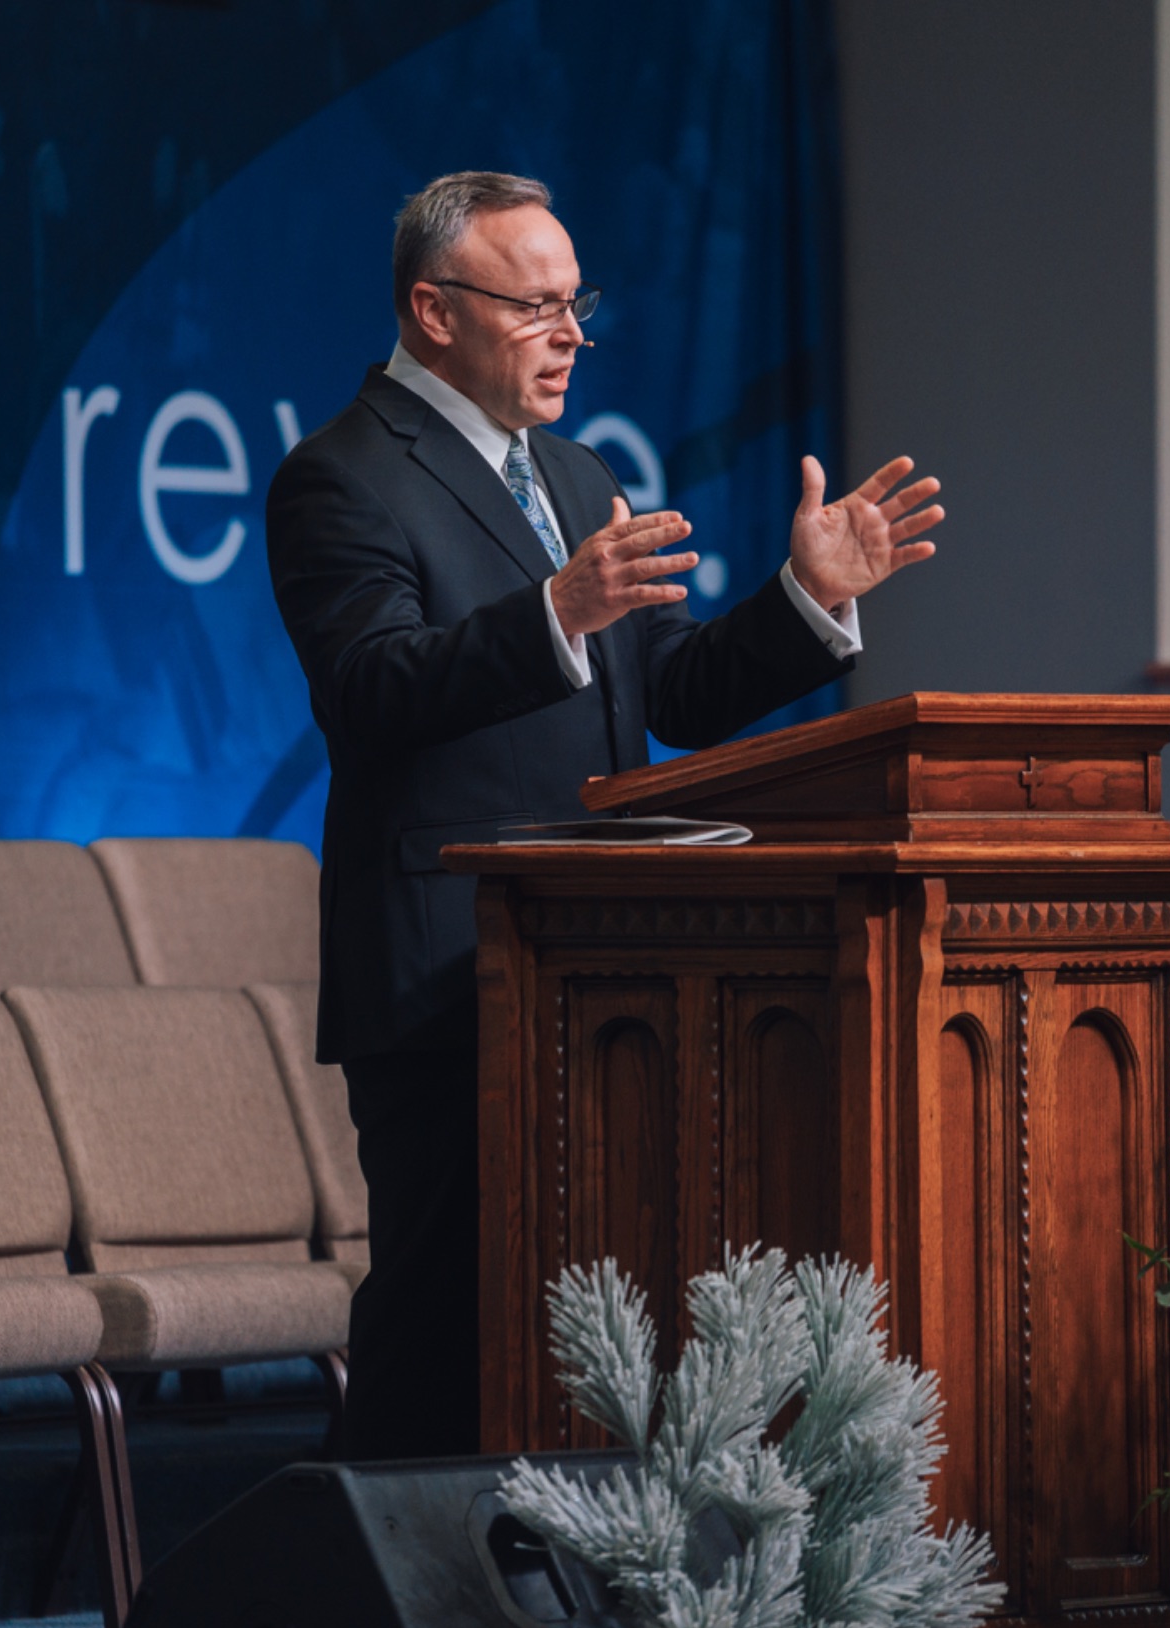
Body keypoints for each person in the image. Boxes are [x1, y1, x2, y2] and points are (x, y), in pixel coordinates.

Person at [265, 171, 941, 1458]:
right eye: (536, 306)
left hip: (598, 965)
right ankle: (362, 1561)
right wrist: (552, 615)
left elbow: (670, 688)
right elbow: (367, 687)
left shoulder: (577, 477)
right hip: (448, 967)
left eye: (578, 305)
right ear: (433, 310)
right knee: (440, 1317)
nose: (571, 333)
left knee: (579, 1324)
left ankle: (549, 1561)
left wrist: (805, 599)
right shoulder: (340, 475)